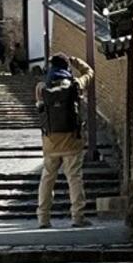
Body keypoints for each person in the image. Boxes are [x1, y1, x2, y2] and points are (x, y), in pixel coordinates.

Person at [33, 53, 92, 227]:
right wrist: (75, 61)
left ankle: (43, 218)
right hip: (72, 139)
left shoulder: (41, 87)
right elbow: (89, 72)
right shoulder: (75, 85)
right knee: (74, 178)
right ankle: (78, 217)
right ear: (66, 67)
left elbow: (40, 109)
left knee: (47, 179)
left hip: (50, 140)